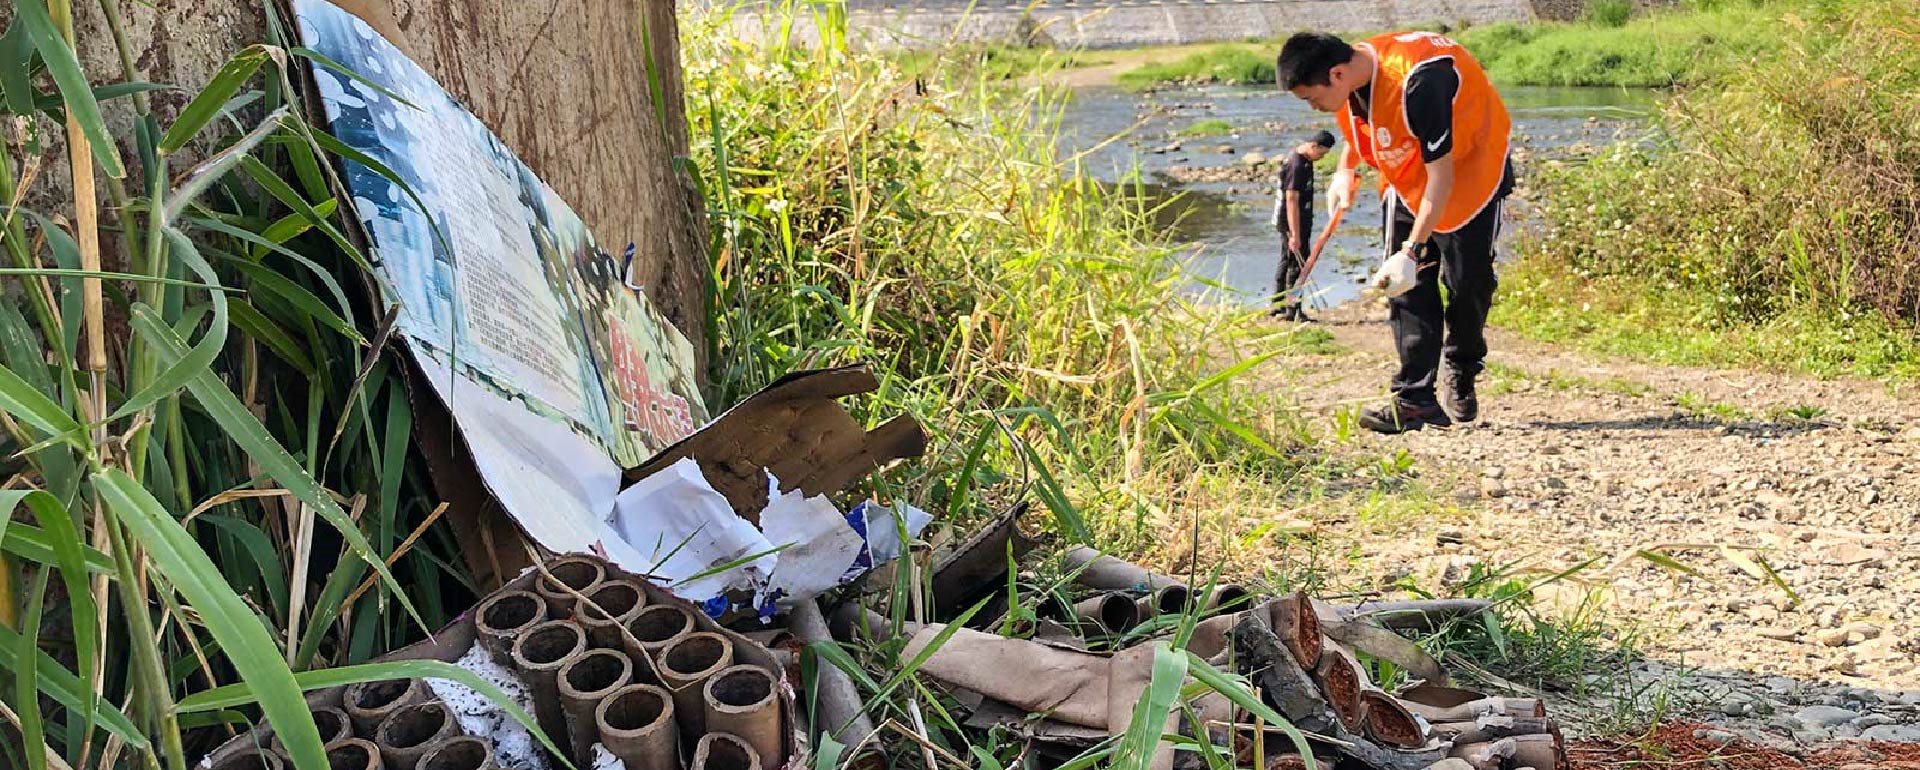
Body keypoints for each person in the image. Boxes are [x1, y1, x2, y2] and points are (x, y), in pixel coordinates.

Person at [1276, 30, 1514, 433]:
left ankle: (1461, 361)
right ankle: (1415, 399)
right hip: (1405, 177)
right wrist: (1344, 170)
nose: (1314, 109)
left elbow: (1441, 176)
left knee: (1467, 286)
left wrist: (1412, 249)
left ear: (1335, 74)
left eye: (1310, 99)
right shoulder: (1352, 72)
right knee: (1404, 287)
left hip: (1470, 171)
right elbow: (1359, 126)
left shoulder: (1421, 81)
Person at [1269, 130, 1337, 321]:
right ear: (1313, 145)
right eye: (1322, 153)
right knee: (1296, 265)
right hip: (1292, 222)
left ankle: (1277, 305)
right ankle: (1292, 310)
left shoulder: (1305, 161)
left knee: (1287, 260)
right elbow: (1291, 199)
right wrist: (1295, 235)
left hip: (1296, 220)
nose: (1321, 158)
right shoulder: (1297, 164)